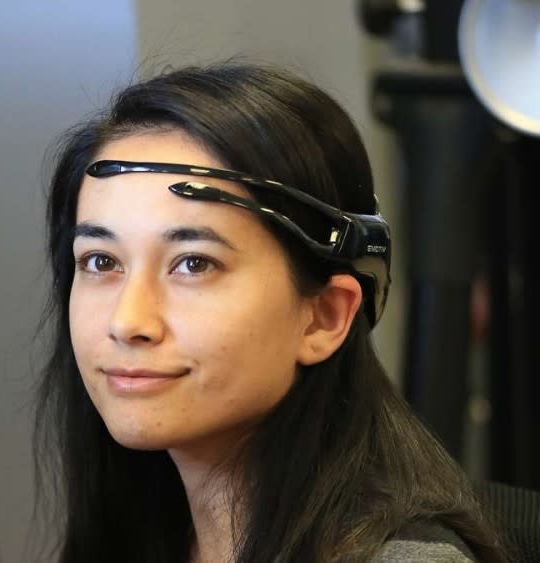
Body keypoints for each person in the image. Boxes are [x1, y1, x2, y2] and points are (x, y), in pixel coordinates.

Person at [32, 63, 510, 562]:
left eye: (194, 264)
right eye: (101, 261)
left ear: (324, 317)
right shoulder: (138, 536)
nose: (127, 321)